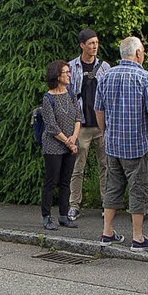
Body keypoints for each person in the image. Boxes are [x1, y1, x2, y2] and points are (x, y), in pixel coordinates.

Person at [94, 36, 148, 251]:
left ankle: (107, 232)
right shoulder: (145, 77)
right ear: (139, 54)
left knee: (113, 187)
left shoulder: (105, 76)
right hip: (137, 144)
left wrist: (105, 132)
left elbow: (98, 109)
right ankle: (138, 237)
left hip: (113, 143)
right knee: (139, 189)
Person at [67, 28, 111, 221]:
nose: (94, 46)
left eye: (96, 43)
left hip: (101, 125)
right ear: (82, 45)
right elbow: (67, 97)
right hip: (82, 125)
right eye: (91, 43)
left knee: (106, 166)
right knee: (78, 167)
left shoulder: (105, 67)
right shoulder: (72, 67)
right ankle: (74, 204)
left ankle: (107, 204)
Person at [39, 60, 81, 230]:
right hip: (54, 146)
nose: (69, 75)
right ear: (57, 76)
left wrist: (74, 138)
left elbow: (78, 117)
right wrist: (68, 142)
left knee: (66, 181)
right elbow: (51, 126)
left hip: (71, 143)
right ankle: (46, 216)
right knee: (51, 181)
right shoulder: (48, 98)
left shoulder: (71, 94)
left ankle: (64, 215)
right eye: (66, 72)